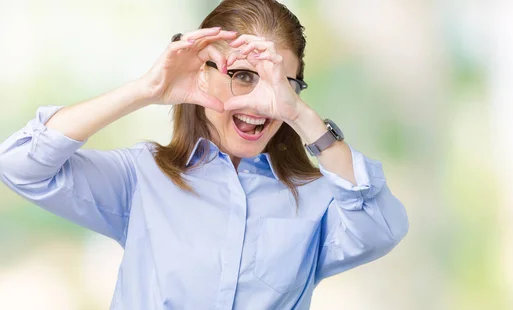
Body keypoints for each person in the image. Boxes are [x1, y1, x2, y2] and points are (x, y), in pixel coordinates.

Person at [0, 0, 408, 309]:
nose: (262, 103)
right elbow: (21, 165)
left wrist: (300, 115)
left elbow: (380, 229)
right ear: (203, 73)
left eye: (281, 84)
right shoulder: (142, 177)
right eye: (243, 76)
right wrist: (146, 90)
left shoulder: (318, 199)